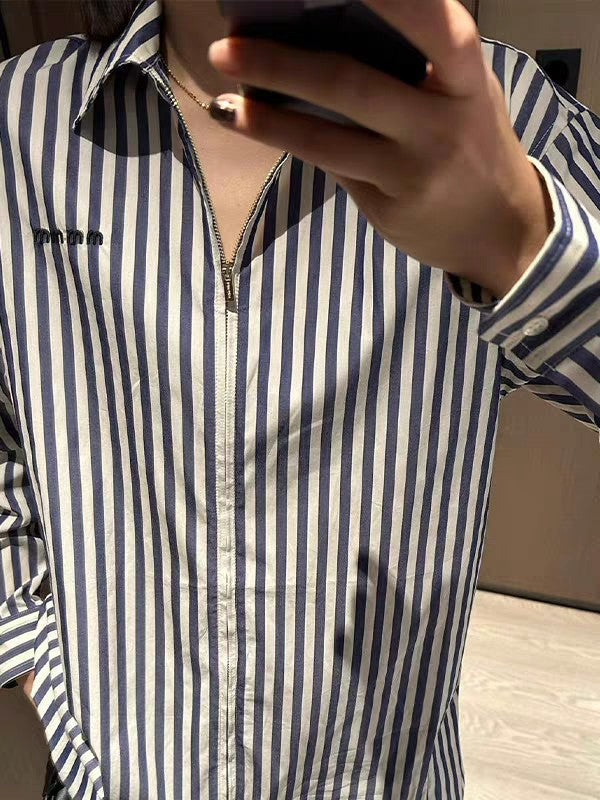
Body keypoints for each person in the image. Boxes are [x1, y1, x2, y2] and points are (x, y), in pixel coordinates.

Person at [0, 0, 599, 798]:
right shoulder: (20, 121)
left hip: (382, 777)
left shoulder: (499, 114)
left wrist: (521, 244)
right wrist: (36, 658)